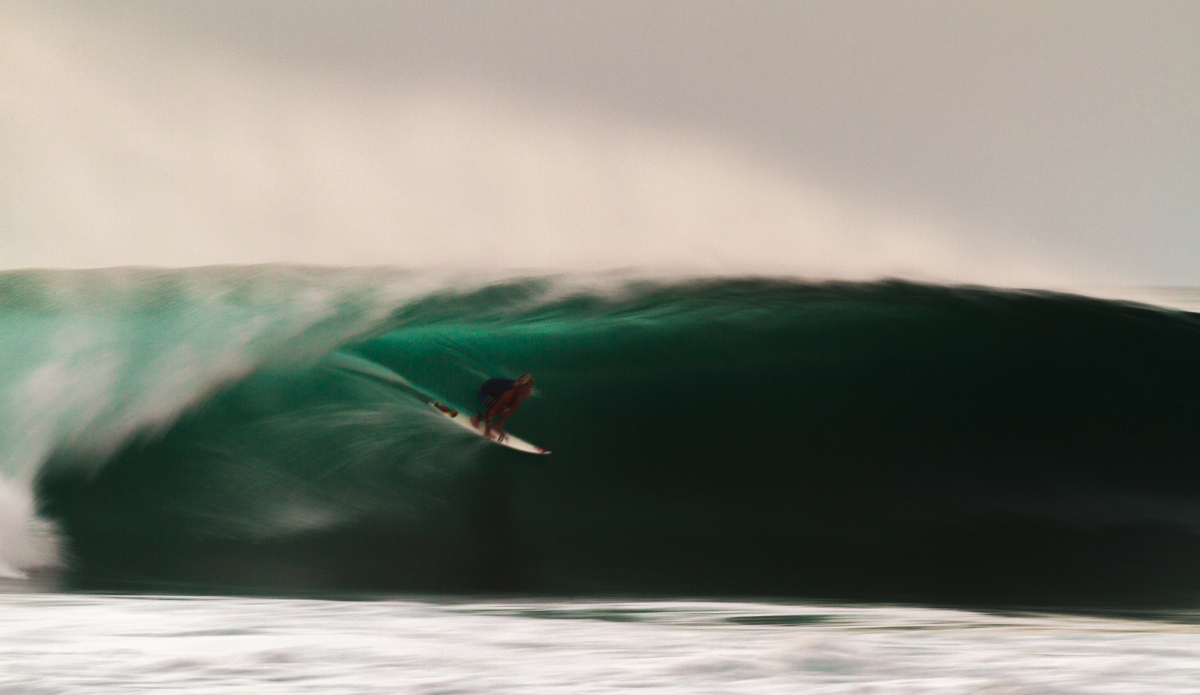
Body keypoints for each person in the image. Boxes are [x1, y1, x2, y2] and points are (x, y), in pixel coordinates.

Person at [470, 374, 534, 440]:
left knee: (518, 401)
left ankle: (498, 425)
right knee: (504, 410)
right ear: (521, 386)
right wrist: (487, 432)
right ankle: (477, 418)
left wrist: (523, 394)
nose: (530, 390)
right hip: (484, 394)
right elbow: (492, 411)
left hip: (496, 394)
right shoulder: (509, 393)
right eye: (529, 387)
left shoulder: (517, 389)